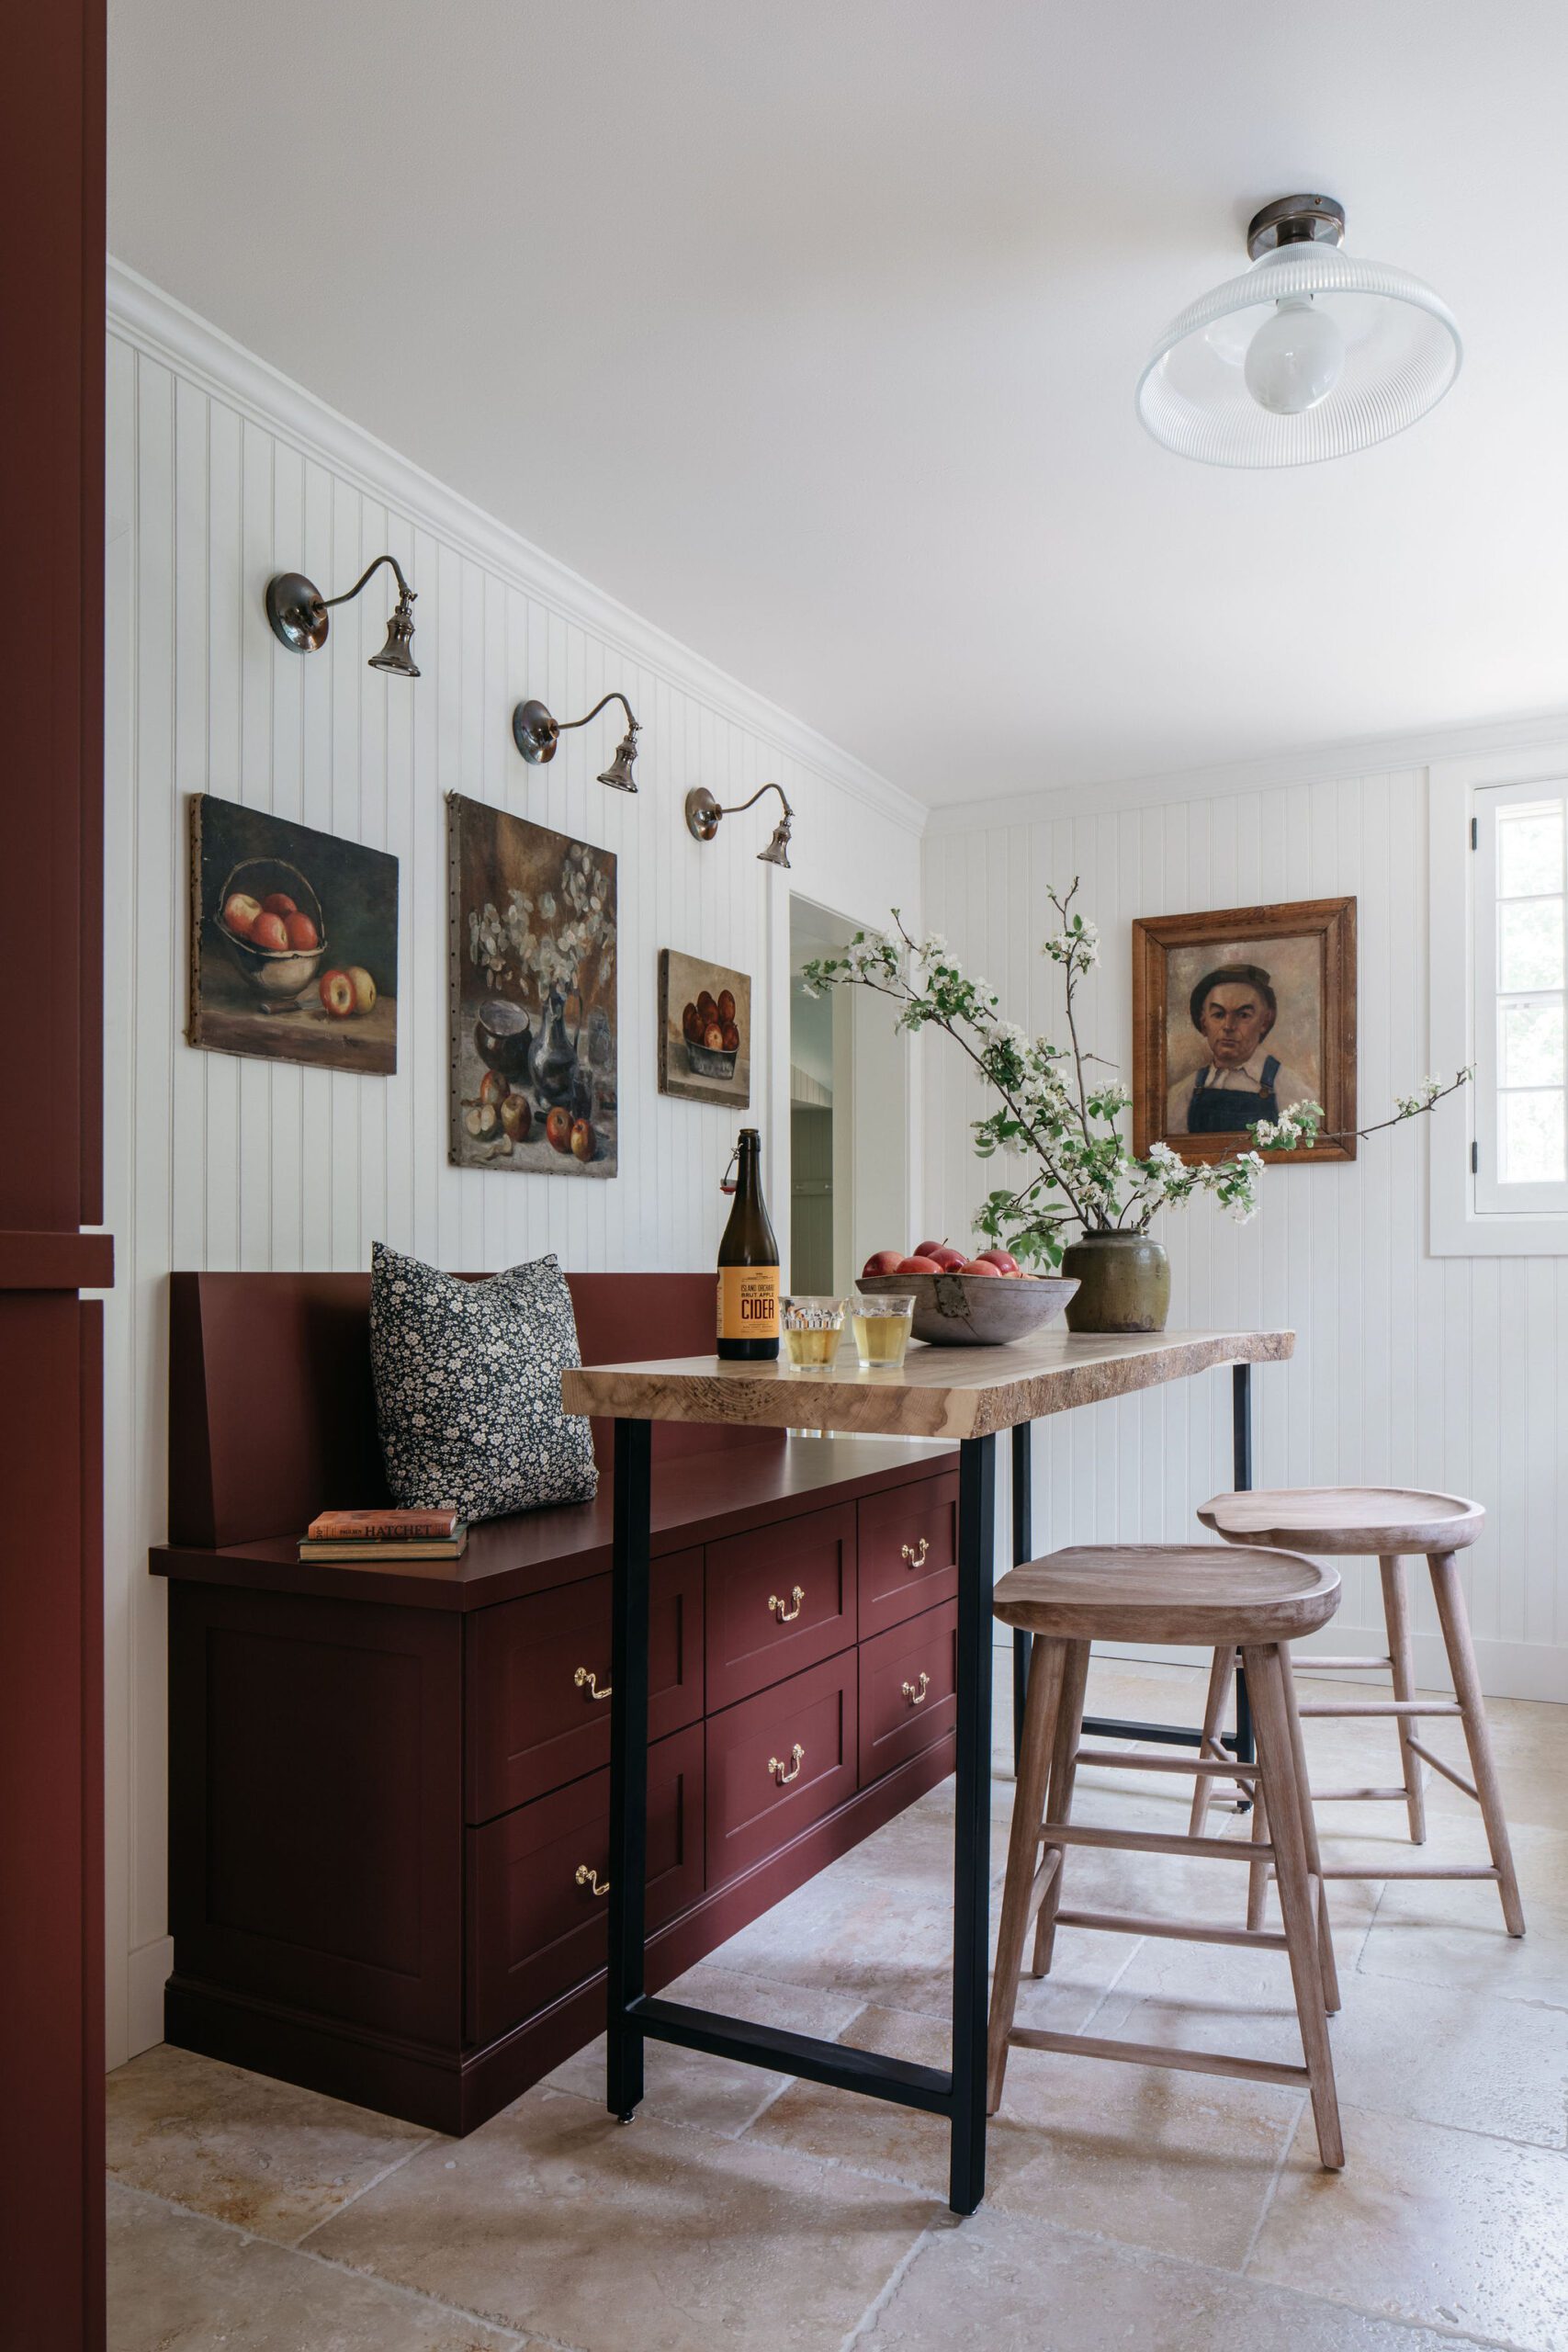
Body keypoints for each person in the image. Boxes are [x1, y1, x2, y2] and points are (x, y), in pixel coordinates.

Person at [1166, 962, 1315, 1136]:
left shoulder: (1293, 1092)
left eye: (1243, 1015)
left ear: (1265, 1021)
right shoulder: (1182, 1093)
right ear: (1203, 1022)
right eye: (1218, 1015)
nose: (1228, 1026)